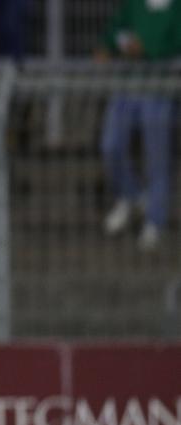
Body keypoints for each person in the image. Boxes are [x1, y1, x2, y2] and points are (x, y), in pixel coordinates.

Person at [98, 0, 181, 251]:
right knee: (111, 145)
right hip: (129, 86)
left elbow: (171, 44)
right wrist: (116, 44)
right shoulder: (135, 4)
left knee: (157, 156)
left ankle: (156, 219)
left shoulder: (176, 9)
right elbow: (114, 32)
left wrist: (145, 49)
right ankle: (133, 196)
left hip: (159, 90)